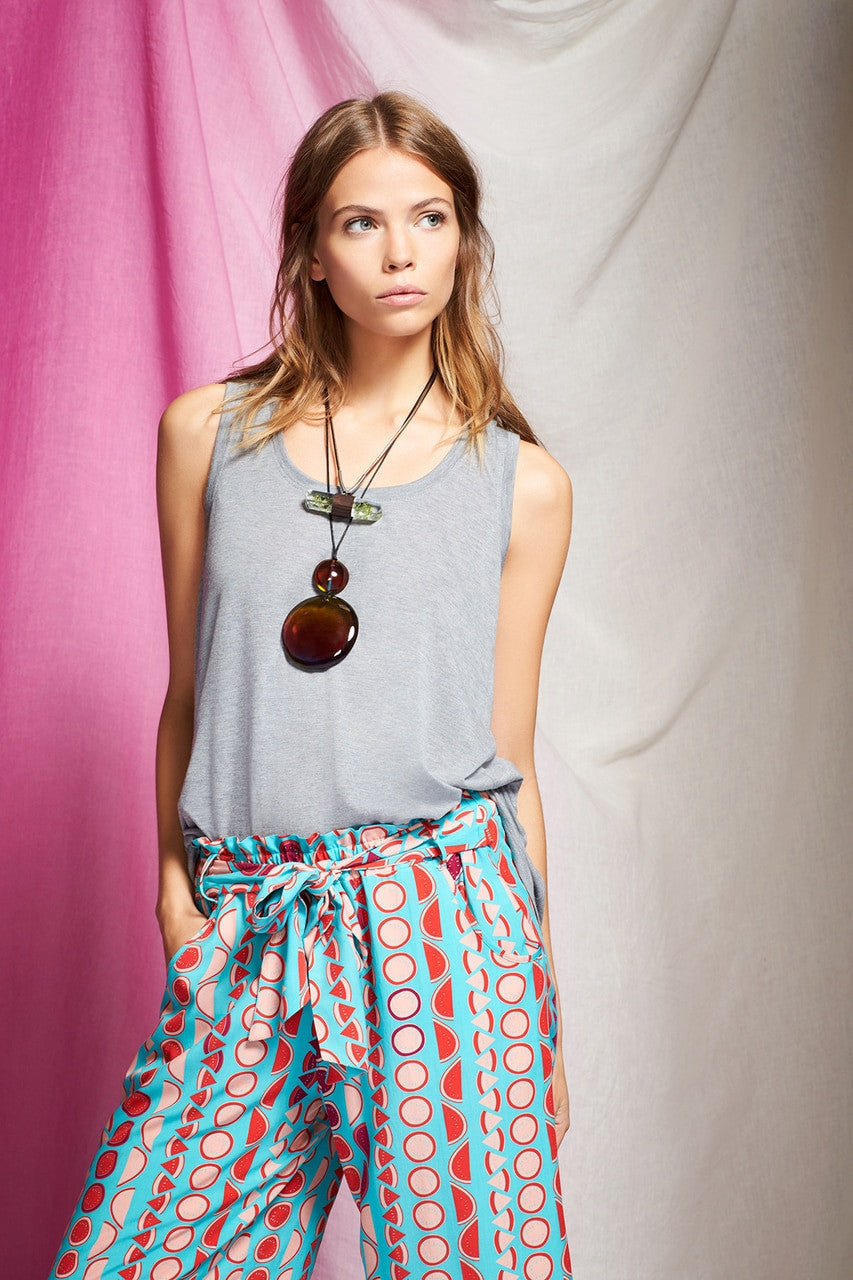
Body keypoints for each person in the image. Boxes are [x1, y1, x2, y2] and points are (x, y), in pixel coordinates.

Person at [47, 90, 574, 1280]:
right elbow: (190, 690)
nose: (400, 253)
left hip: (445, 921)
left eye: (429, 218)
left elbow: (511, 756)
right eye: (361, 222)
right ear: (311, 252)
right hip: (251, 912)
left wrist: (534, 1001)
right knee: (147, 1250)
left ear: (464, 239)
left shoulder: (522, 484)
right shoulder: (207, 434)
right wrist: (174, 889)